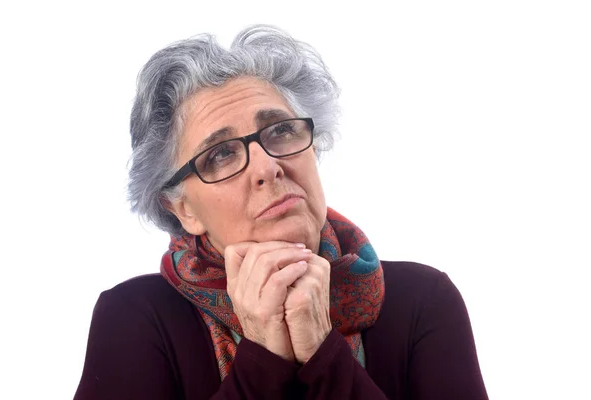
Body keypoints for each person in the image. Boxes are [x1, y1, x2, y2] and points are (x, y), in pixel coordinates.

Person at [74, 25, 488, 399]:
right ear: (183, 209)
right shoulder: (135, 318)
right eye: (220, 154)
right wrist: (262, 360)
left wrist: (322, 353)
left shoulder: (422, 299)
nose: (267, 166)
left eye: (281, 130)